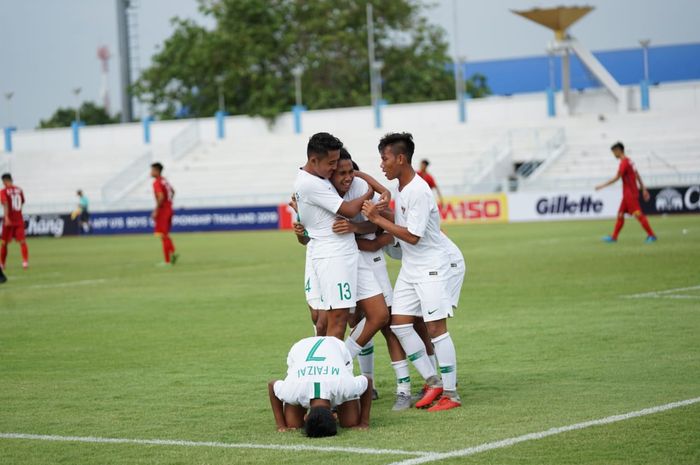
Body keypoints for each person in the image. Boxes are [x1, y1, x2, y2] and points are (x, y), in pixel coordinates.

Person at [362, 132, 461, 412]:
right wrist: (381, 211)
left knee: (436, 329)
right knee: (400, 324)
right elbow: (403, 222)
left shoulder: (417, 189)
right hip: (412, 266)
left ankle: (451, 394)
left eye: (385, 158)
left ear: (400, 158)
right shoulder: (401, 188)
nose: (382, 164)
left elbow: (414, 236)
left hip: (431, 265)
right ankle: (433, 381)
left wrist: (377, 218)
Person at [292, 133, 373, 340]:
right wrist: (370, 192)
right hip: (332, 256)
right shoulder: (311, 184)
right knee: (337, 318)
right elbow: (346, 210)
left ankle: (334, 368)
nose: (335, 167)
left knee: (340, 317)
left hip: (340, 253)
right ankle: (332, 370)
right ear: (313, 160)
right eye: (332, 162)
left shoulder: (316, 178)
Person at [268, 336, 373, 435]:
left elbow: (272, 385)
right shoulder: (294, 389)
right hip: (304, 349)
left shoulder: (344, 386)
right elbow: (271, 385)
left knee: (350, 422)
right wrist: (363, 423)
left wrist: (364, 423)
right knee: (293, 423)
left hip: (333, 347)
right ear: (334, 416)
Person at [595, 142, 657, 243]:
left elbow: (617, 178)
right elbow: (637, 175)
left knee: (638, 214)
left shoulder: (624, 163)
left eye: (614, 152)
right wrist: (643, 188)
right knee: (620, 214)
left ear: (619, 150)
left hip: (630, 194)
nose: (614, 154)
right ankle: (614, 237)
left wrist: (602, 186)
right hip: (628, 193)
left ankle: (652, 235)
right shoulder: (630, 161)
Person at [150, 163, 178, 265]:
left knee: (163, 235)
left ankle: (167, 260)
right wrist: (168, 204)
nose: (151, 172)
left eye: (152, 170)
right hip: (170, 209)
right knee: (165, 234)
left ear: (157, 171)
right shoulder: (164, 180)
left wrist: (156, 210)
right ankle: (173, 253)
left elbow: (161, 197)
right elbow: (173, 192)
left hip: (163, 211)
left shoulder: (157, 182)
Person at [1, 173, 29, 270]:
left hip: (9, 220)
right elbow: (22, 202)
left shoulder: (3, 191)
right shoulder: (19, 190)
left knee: (4, 243)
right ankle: (25, 262)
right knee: (22, 241)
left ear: (4, 181)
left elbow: (5, 203)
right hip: (19, 219)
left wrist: (7, 217)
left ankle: (2, 264)